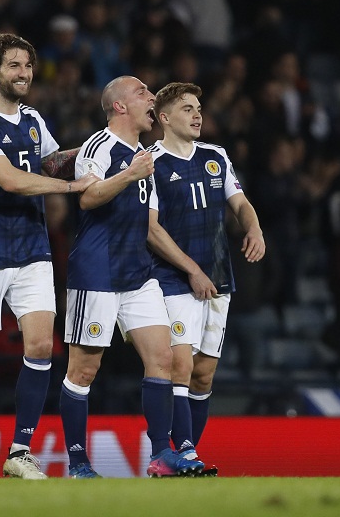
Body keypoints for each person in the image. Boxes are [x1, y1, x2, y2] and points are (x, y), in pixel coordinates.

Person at [0, 32, 97, 480]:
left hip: (32, 250)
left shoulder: (32, 118)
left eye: (28, 66)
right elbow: (11, 180)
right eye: (14, 66)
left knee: (40, 348)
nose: (24, 74)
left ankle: (19, 452)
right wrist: (72, 188)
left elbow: (51, 161)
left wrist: (98, 150)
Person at [59, 75, 198, 479]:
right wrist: (128, 175)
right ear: (120, 106)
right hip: (97, 273)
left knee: (164, 358)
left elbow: (150, 223)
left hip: (138, 274)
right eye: (142, 93)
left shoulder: (144, 157)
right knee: (83, 371)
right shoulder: (98, 147)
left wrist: (189, 265)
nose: (152, 98)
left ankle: (159, 455)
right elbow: (86, 197)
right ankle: (78, 462)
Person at [146, 82, 266, 476]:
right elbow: (151, 229)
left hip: (218, 277)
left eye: (199, 108)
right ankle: (181, 454)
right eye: (187, 109)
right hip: (173, 278)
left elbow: (241, 203)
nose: (197, 115)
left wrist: (254, 228)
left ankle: (185, 459)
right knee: (180, 366)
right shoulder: (150, 162)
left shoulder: (215, 157)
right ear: (164, 118)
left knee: (203, 374)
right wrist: (190, 269)